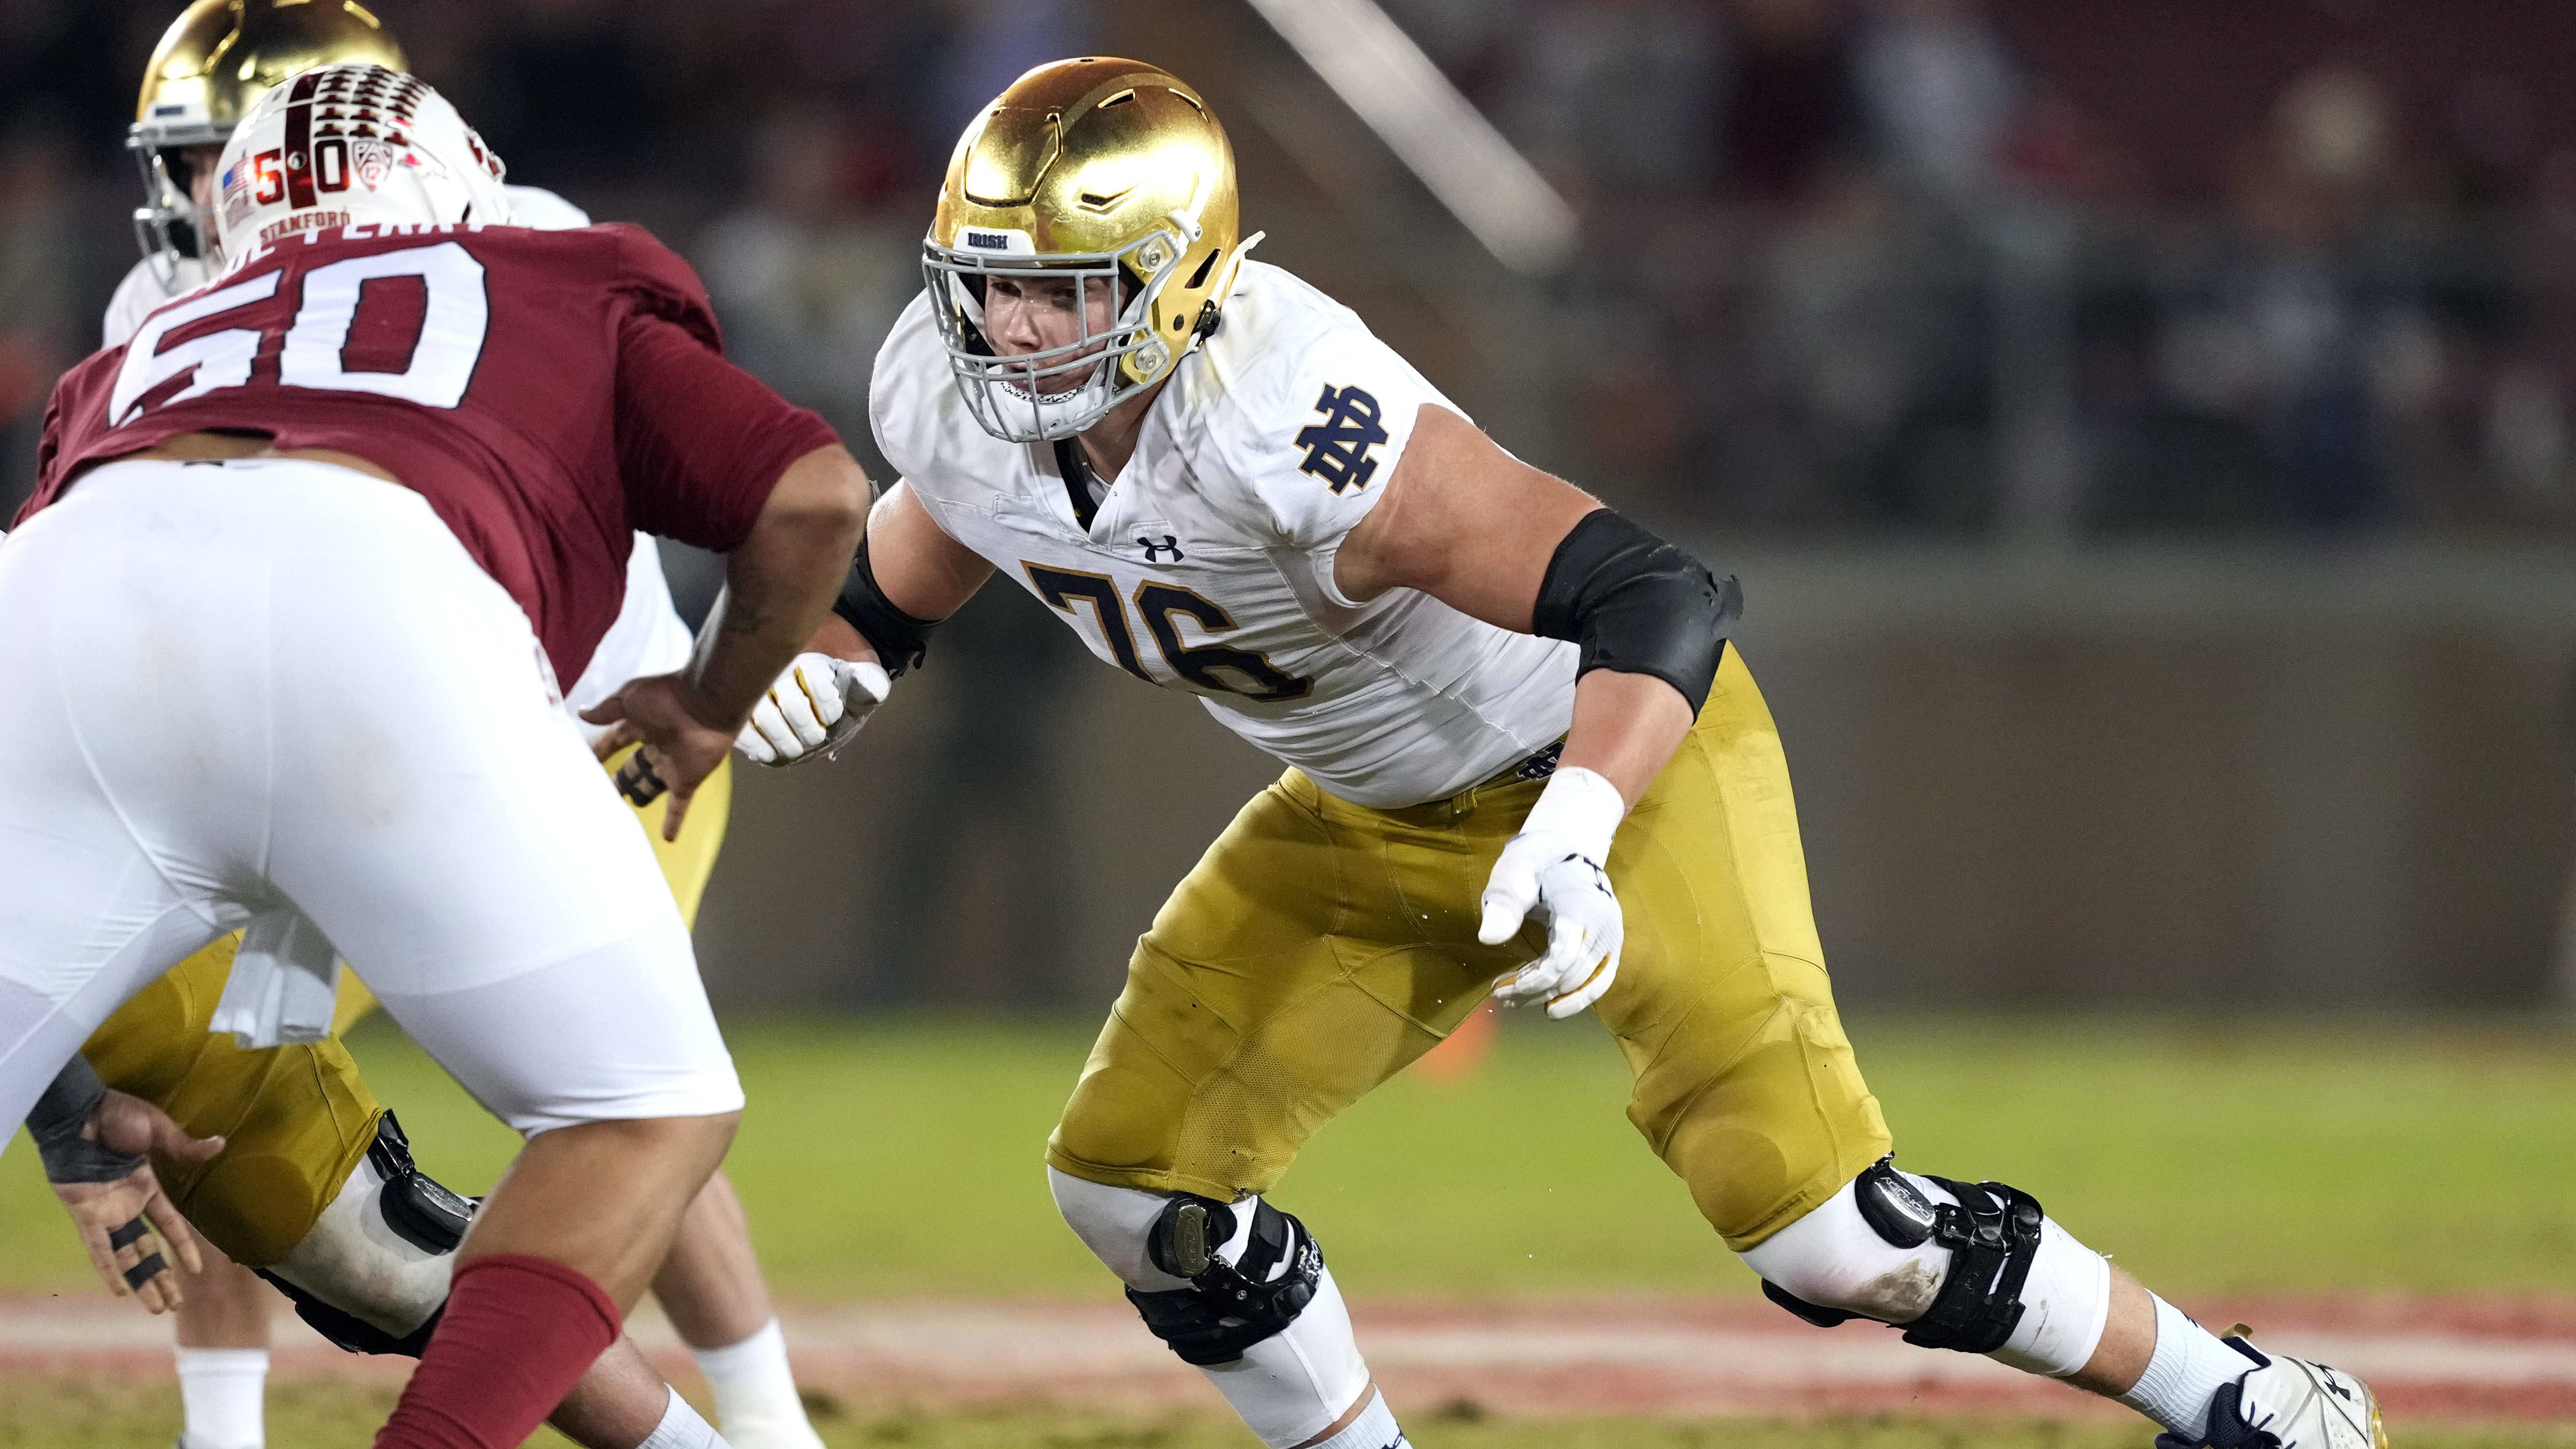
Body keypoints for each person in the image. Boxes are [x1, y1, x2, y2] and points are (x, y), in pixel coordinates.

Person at [745, 58, 2387, 1449]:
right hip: (1370, 810)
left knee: (1831, 1240)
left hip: (1609, 756)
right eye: (987, 282)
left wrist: (1586, 819)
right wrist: (845, 658)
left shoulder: (1290, 420)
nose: (1012, 327)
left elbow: (1654, 591)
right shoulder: (954, 392)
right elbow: (949, 526)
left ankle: (2243, 1402)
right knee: (1132, 1188)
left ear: (1177, 279)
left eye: (1059, 289)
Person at [0, 62, 864, 1449]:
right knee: (640, 1113)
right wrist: (710, 698)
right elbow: (814, 500)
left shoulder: (132, 352)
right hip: (370, 604)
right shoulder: (546, 276)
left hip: (49, 599)